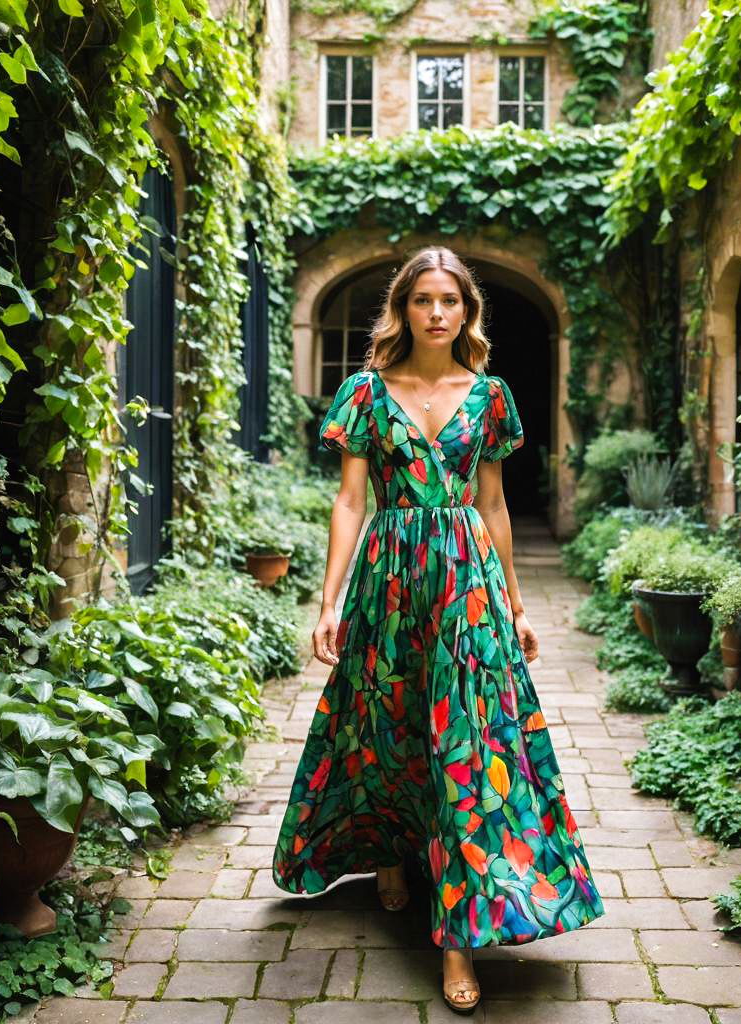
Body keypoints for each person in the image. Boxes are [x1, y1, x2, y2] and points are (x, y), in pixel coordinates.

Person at [272, 246, 604, 1014]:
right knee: (387, 723)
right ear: (403, 308)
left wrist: (516, 605)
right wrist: (327, 602)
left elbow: (493, 506)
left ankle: (456, 935)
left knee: (467, 743)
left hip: (466, 586)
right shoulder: (364, 392)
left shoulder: (489, 396)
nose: (435, 312)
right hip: (389, 579)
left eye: (449, 300)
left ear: (466, 312)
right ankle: (390, 849)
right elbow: (351, 502)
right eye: (422, 299)